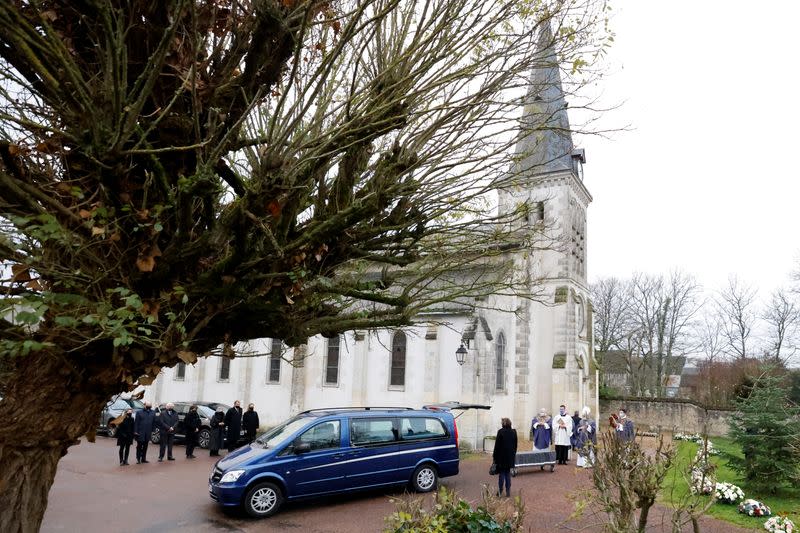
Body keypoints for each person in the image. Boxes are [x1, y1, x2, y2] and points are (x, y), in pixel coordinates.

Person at [492, 418, 517, 497]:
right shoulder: (514, 432)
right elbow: (515, 445)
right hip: (510, 457)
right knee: (507, 474)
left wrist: (494, 457)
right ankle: (508, 491)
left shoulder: (500, 432)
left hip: (501, 457)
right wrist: (513, 454)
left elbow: (497, 446)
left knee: (502, 474)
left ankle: (500, 490)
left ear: (503, 424)